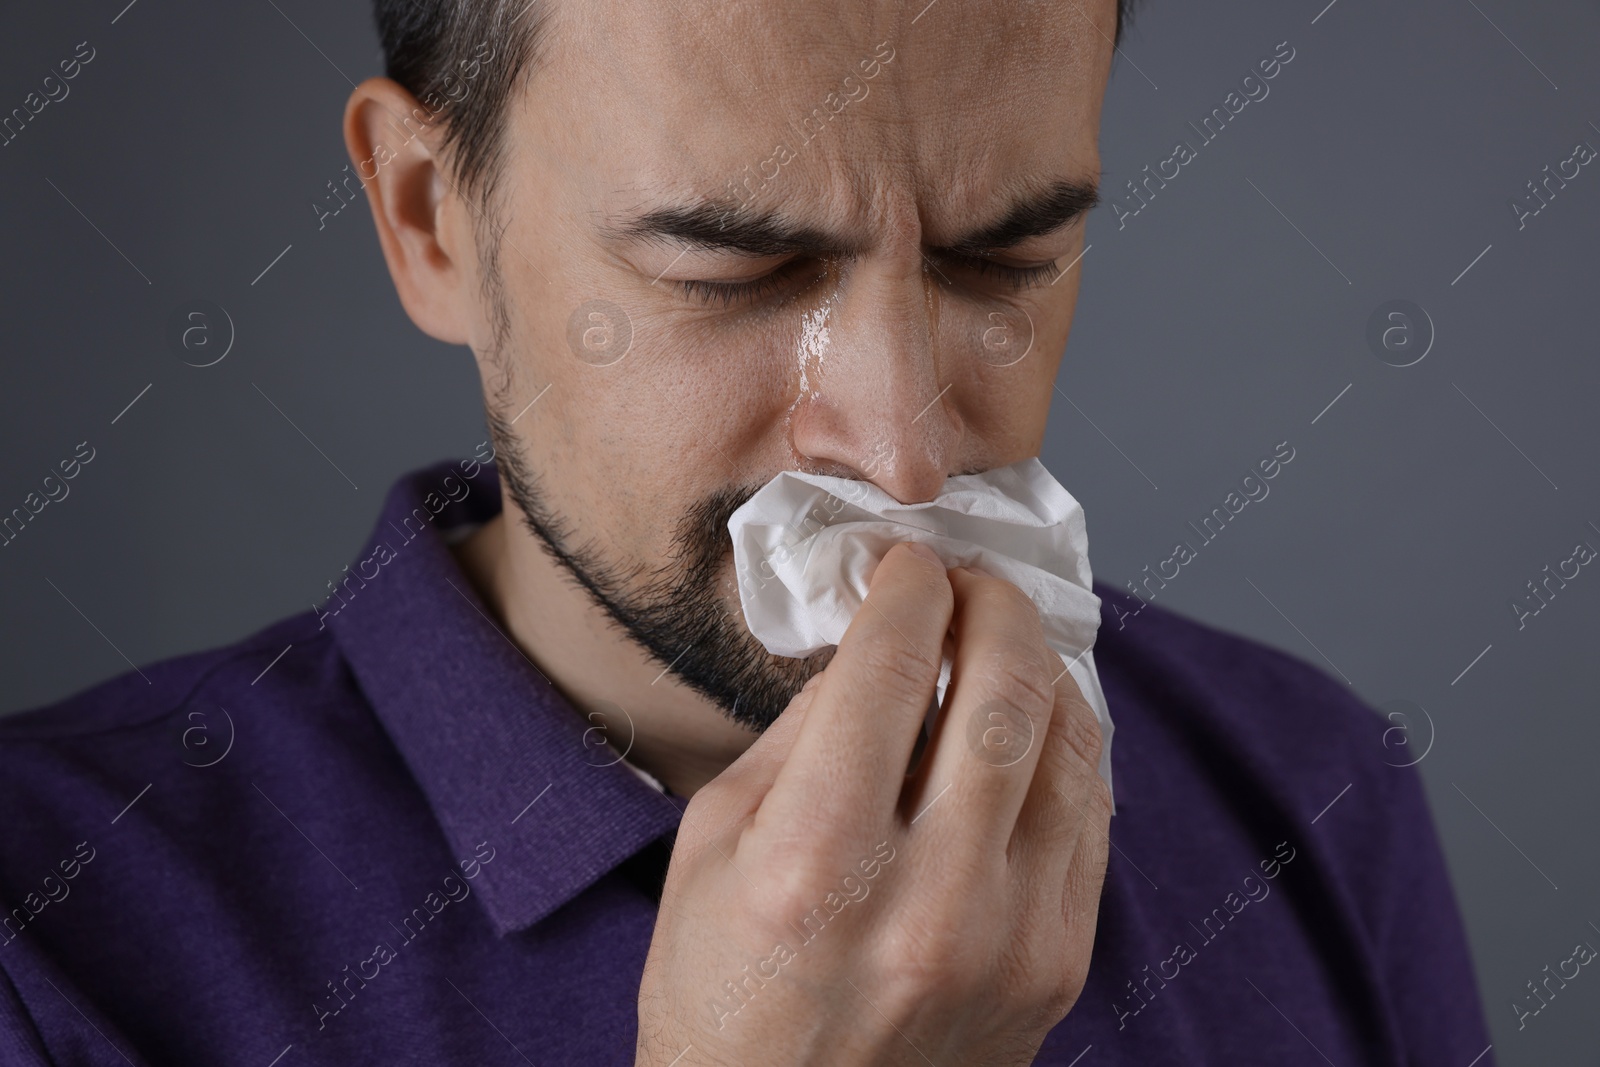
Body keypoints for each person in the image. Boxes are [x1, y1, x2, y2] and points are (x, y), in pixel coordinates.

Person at [0, 0, 1495, 1063]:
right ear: (427, 218)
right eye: (736, 268)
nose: (904, 442)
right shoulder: (52, 942)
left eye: (1006, 256)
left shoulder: (1308, 795)